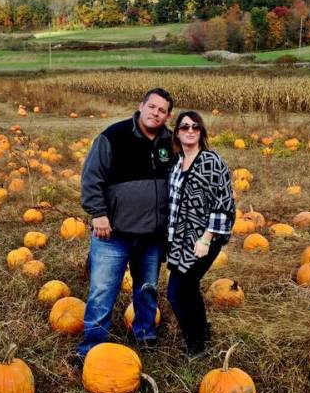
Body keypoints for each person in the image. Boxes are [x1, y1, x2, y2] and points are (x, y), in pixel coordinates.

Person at [74, 88, 175, 366]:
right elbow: (91, 178)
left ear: (168, 115)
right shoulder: (113, 136)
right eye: (151, 106)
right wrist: (98, 214)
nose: (155, 113)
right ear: (140, 106)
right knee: (103, 291)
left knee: (147, 289)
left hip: (152, 236)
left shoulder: (170, 142)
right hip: (113, 234)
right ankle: (91, 348)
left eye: (162, 110)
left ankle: (144, 333)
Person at [166, 111, 234, 359]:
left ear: (202, 132)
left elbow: (223, 202)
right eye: (184, 126)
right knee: (189, 288)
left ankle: (195, 344)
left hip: (202, 241)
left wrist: (206, 238)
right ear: (177, 132)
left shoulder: (211, 161)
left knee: (176, 292)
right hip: (180, 240)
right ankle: (203, 331)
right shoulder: (176, 163)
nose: (190, 130)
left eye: (195, 126)